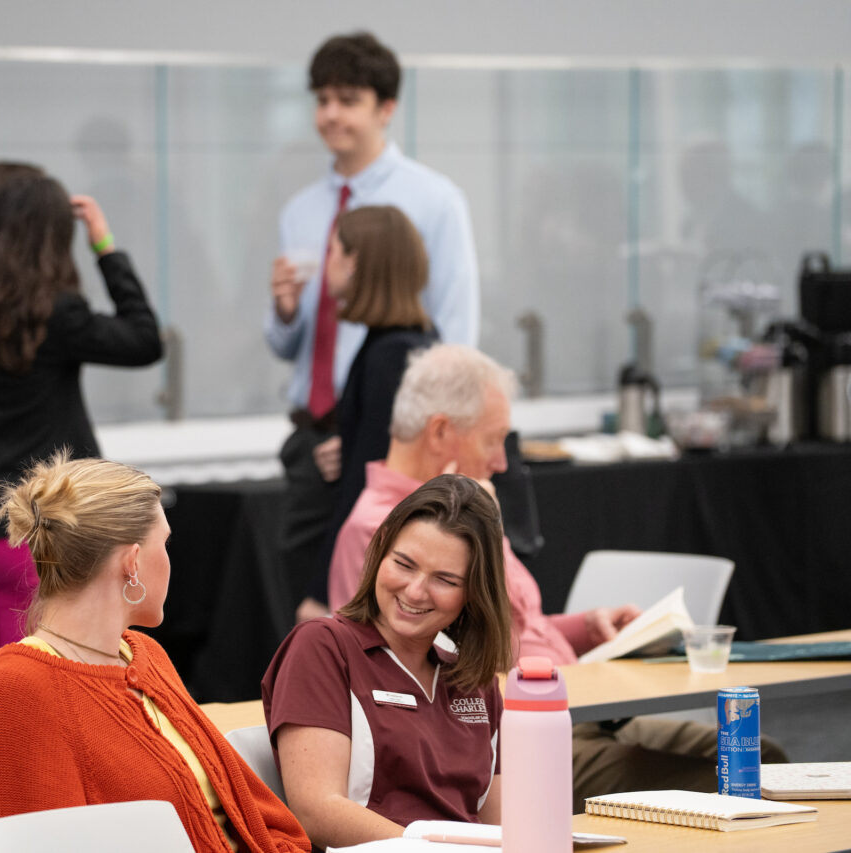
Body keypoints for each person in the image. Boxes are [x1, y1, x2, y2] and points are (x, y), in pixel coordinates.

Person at [323, 343, 786, 810]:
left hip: (579, 713)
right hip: (520, 737)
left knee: (761, 759)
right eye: (493, 439)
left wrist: (584, 627)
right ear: (441, 431)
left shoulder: (460, 514)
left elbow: (517, 624)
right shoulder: (391, 538)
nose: (503, 462)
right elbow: (476, 652)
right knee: (741, 775)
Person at [0, 454, 310, 853]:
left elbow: (247, 812)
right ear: (132, 562)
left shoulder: (141, 654)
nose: (171, 558)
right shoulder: (20, 693)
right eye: (166, 542)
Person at [0, 169, 162, 673]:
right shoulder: (54, 315)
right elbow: (143, 339)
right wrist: (105, 246)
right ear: (49, 237)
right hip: (34, 536)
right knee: (33, 685)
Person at [264, 32, 479, 622]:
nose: (330, 115)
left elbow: (453, 343)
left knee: (379, 615)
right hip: (314, 439)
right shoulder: (301, 210)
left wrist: (390, 441)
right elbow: (291, 345)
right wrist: (284, 312)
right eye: (322, 99)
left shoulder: (435, 201)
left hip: (389, 442)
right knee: (306, 606)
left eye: (348, 99)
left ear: (386, 108)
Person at [262, 475, 511, 849]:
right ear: (380, 552)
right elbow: (316, 811)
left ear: (474, 592)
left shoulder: (474, 676)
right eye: (404, 564)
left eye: (444, 579)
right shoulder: (323, 646)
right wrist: (435, 849)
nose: (415, 590)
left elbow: (501, 825)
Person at [318, 205, 439, 584]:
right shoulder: (402, 342)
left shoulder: (391, 355)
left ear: (354, 262)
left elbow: (368, 479)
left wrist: (322, 586)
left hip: (372, 555)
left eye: (333, 250)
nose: (327, 262)